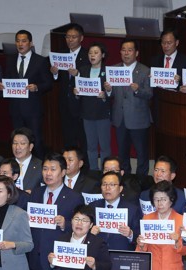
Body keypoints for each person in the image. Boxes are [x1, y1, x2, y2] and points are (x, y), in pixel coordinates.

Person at [28, 153, 84, 270]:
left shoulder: (74, 197)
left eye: (53, 169)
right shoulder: (35, 193)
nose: (48, 173)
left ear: (63, 172)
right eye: (45, 169)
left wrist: (66, 224)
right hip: (34, 258)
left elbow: (83, 226)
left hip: (58, 260)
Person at [0, 30, 52, 158]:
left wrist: (37, 87)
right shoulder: (10, 59)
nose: (20, 44)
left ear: (31, 43)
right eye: (18, 41)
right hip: (16, 108)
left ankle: (39, 168)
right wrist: (1, 86)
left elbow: (48, 83)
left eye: (24, 41)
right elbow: (7, 80)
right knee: (18, 142)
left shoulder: (40, 61)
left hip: (33, 109)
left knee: (36, 140)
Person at [104, 39, 153, 176]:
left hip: (138, 119)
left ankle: (141, 181)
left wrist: (138, 90)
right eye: (123, 50)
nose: (126, 53)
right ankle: (124, 180)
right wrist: (108, 90)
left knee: (141, 153)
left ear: (136, 53)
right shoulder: (114, 69)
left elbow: (149, 94)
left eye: (130, 50)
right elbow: (112, 94)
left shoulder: (144, 70)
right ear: (120, 52)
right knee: (122, 153)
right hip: (120, 119)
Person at [48, 205, 111, 270]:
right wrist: (51, 263)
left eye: (84, 220)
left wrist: (95, 265)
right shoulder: (61, 239)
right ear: (71, 221)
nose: (79, 223)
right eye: (76, 219)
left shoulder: (98, 242)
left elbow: (107, 266)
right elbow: (54, 267)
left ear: (91, 225)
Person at [136, 180, 186, 270]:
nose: (159, 203)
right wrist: (141, 245)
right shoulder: (147, 218)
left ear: (171, 199)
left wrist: (177, 241)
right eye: (156, 199)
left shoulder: (181, 220)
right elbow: (141, 252)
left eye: (163, 199)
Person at [50, 23, 89, 155]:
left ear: (81, 38)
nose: (70, 40)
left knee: (83, 138)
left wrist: (78, 74)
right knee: (67, 137)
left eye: (73, 37)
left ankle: (84, 167)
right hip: (64, 102)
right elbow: (57, 79)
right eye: (68, 37)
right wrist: (55, 72)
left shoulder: (87, 55)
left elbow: (90, 78)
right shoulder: (61, 54)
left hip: (81, 103)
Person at [75, 42, 111, 171]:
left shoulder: (108, 71)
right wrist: (76, 93)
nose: (92, 55)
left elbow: (114, 95)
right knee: (91, 146)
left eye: (96, 53)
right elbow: (79, 91)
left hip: (102, 114)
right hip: (87, 113)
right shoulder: (83, 70)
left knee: (105, 146)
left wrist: (106, 94)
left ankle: (106, 171)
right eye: (90, 53)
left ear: (103, 55)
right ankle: (93, 171)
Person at [89, 172, 141, 250]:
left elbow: (139, 236)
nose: (107, 188)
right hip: (98, 254)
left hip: (121, 255)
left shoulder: (132, 209)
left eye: (112, 185)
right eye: (104, 184)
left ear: (120, 188)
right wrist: (90, 233)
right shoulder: (93, 206)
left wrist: (130, 234)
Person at [10, 127, 43, 192]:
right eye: (15, 143)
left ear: (30, 147)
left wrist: (33, 193)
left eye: (22, 143)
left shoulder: (40, 166)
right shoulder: (5, 164)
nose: (17, 147)